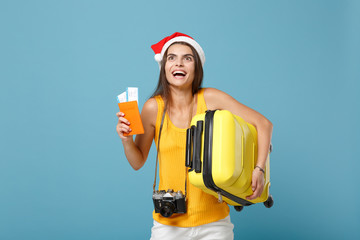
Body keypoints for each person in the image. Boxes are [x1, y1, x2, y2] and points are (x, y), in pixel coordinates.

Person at [116, 32, 273, 240]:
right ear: (164, 67)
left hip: (215, 224)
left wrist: (259, 169)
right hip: (168, 225)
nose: (178, 64)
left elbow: (263, 124)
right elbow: (137, 162)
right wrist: (127, 141)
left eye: (187, 58)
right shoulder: (153, 108)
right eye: (171, 58)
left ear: (196, 68)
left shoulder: (210, 98)